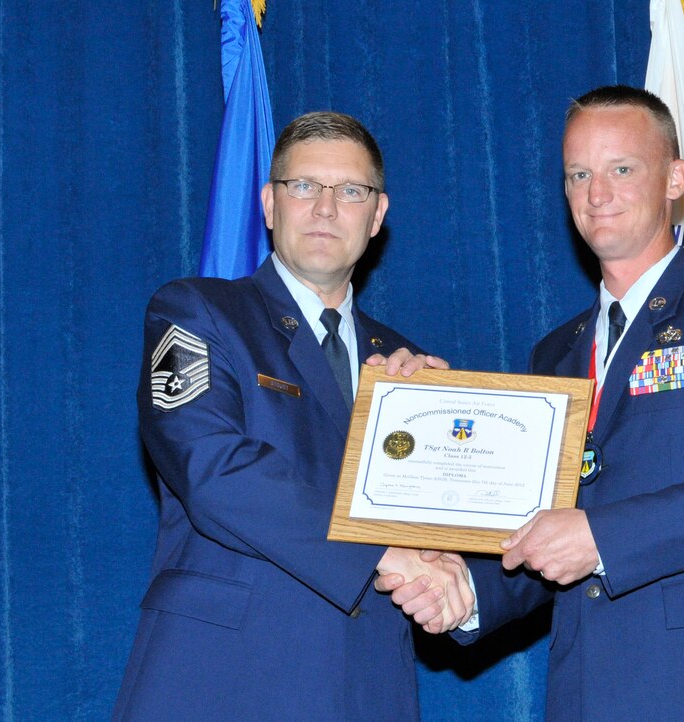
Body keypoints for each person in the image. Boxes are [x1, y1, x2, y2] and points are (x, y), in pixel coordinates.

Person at [384, 85, 684, 720]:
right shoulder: (555, 354)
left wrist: (602, 536)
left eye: (622, 168)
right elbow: (545, 532)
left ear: (674, 177)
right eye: (578, 174)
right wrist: (466, 595)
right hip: (586, 690)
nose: (597, 193)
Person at [114, 111, 474, 721]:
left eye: (350, 191)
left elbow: (449, 532)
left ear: (377, 215)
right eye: (304, 186)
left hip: (366, 687)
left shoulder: (409, 371)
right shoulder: (198, 313)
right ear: (269, 203)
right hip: (221, 681)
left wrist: (455, 578)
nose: (326, 208)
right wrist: (384, 555)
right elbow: (214, 470)